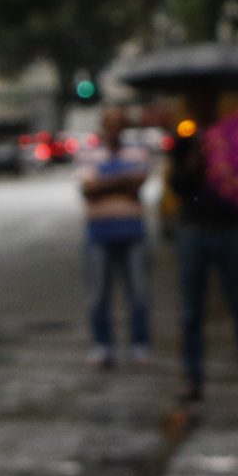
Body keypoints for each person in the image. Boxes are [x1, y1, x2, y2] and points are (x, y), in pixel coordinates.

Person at [166, 125, 238, 402]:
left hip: (232, 230)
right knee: (191, 312)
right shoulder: (185, 144)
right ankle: (192, 377)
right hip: (195, 230)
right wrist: (191, 164)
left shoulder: (234, 141)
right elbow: (177, 186)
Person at [78, 108, 152, 369]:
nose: (114, 129)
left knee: (139, 295)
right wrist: (122, 180)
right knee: (98, 296)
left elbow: (138, 182)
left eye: (118, 124)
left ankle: (140, 346)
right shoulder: (88, 153)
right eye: (109, 124)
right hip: (99, 234)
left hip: (132, 233)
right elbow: (87, 189)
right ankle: (103, 346)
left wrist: (105, 181)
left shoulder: (138, 151)